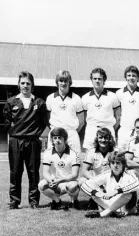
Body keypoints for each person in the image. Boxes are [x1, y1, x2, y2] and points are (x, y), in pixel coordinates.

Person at [3, 71, 47, 209]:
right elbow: (6, 122)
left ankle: (34, 202)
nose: (25, 86)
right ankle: (14, 201)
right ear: (18, 84)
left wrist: (34, 134)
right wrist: (16, 133)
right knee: (15, 171)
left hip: (33, 142)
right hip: (16, 141)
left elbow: (43, 122)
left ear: (32, 85)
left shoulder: (39, 102)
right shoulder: (11, 102)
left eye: (28, 83)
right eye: (23, 83)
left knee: (33, 172)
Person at [82, 151, 139, 218]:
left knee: (129, 192)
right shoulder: (106, 174)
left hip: (126, 207)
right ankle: (112, 212)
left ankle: (103, 214)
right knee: (93, 190)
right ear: (109, 165)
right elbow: (85, 184)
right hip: (110, 204)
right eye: (113, 163)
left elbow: (136, 185)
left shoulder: (129, 174)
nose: (115, 165)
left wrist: (116, 191)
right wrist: (97, 193)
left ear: (123, 164)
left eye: (118, 163)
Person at [38, 127, 80, 210]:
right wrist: (51, 181)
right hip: (54, 183)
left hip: (67, 182)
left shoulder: (73, 154)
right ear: (52, 140)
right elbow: (45, 173)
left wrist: (59, 181)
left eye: (60, 138)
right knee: (41, 185)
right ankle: (57, 201)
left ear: (65, 139)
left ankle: (74, 201)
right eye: (55, 138)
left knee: (73, 186)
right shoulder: (47, 153)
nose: (57, 140)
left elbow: (75, 175)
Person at [81, 68, 121, 149]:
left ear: (104, 80)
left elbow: (118, 117)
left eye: (100, 79)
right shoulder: (85, 98)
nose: (97, 81)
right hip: (91, 130)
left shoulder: (112, 96)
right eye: (95, 78)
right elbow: (84, 118)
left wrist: (109, 128)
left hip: (108, 130)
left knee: (109, 158)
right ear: (91, 80)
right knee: (90, 158)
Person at [46, 70, 84, 153]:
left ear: (69, 82)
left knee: (75, 162)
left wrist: (71, 131)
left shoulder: (76, 98)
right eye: (61, 81)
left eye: (66, 81)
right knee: (54, 162)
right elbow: (47, 119)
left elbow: (81, 121)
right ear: (57, 82)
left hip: (71, 135)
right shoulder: (50, 98)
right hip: (55, 135)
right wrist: (56, 131)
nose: (63, 83)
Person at [116, 66, 139, 149]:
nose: (131, 78)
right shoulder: (119, 93)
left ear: (138, 78)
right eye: (129, 75)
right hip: (124, 130)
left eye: (134, 75)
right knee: (121, 157)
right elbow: (117, 115)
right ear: (125, 77)